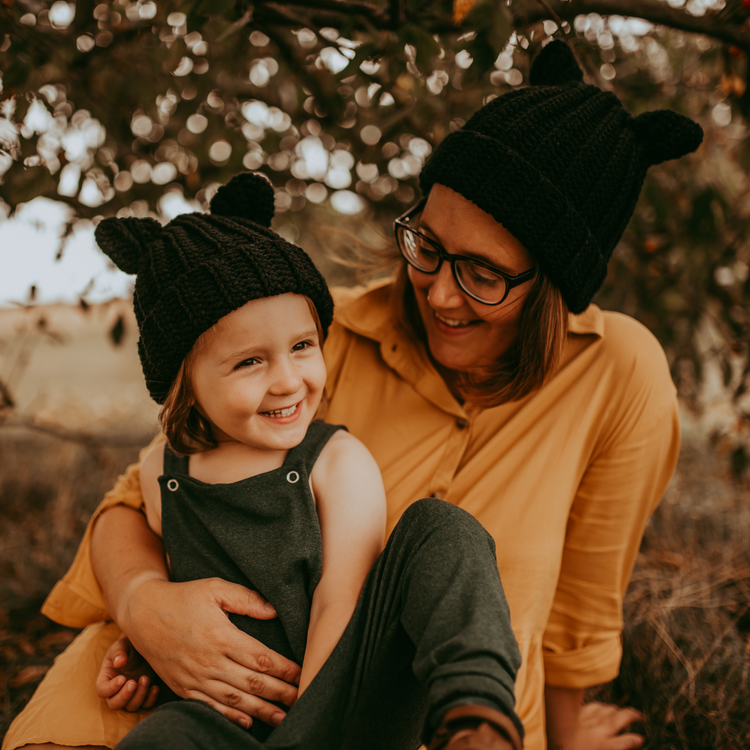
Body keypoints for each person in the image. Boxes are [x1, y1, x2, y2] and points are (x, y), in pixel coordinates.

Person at [5, 40, 703, 750]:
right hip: (206, 706)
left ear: (551, 285)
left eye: (481, 274)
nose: (436, 290)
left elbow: (581, 608)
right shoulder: (303, 336)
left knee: (441, 529)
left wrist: (567, 728)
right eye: (426, 244)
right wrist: (144, 605)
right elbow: (136, 496)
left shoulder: (617, 374)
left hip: (391, 716)